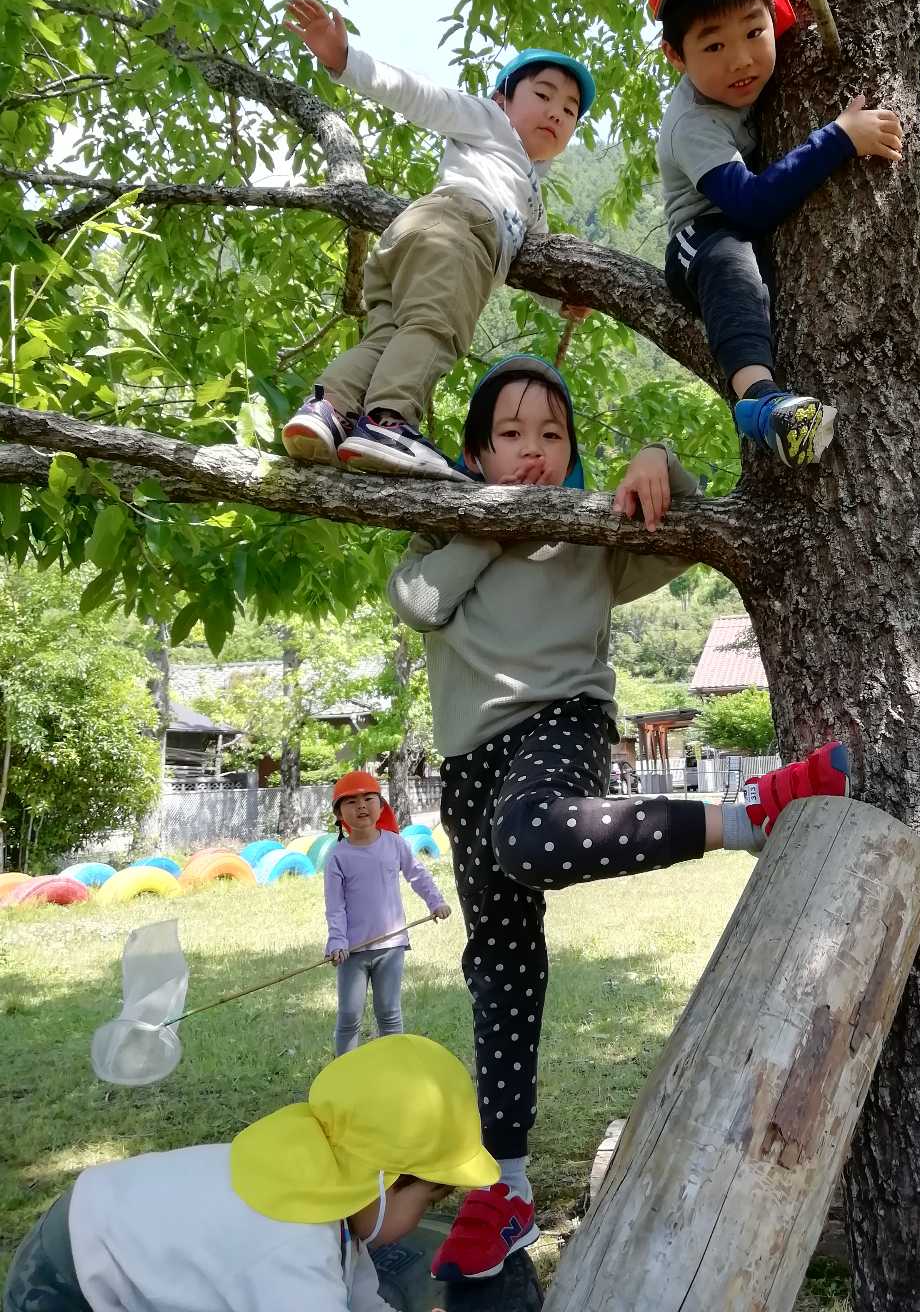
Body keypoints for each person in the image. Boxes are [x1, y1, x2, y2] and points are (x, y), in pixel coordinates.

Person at [389, 352, 848, 1281]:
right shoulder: (440, 533)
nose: (533, 453)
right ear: (474, 454)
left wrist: (655, 459)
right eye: (510, 436)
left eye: (552, 436)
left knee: (532, 836)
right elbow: (423, 603)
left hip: (560, 723)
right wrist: (490, 517)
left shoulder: (586, 535)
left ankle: (746, 816)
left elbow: (683, 529)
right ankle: (506, 1187)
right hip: (468, 761)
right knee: (501, 963)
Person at [280, 0, 594, 477]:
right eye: (544, 95)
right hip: (457, 230)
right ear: (501, 100)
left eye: (570, 110)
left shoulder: (530, 198)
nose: (557, 112)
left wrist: (561, 302)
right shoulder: (489, 124)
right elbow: (422, 96)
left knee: (387, 335)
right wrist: (344, 59)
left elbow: (533, 260)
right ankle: (388, 421)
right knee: (434, 326)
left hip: (408, 239)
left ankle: (327, 409)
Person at [3, 1034, 499, 1312]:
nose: (427, 1217)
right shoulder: (290, 1249)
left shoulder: (321, 1184)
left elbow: (356, 1289)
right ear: (387, 1181)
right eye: (429, 1202)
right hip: (68, 1277)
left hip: (99, 1217)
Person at [647, 0, 903, 469]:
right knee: (732, 258)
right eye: (713, 46)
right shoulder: (692, 124)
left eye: (754, 32)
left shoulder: (759, 76)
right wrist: (838, 138)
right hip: (705, 240)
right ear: (676, 55)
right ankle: (760, 404)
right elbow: (752, 206)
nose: (741, 60)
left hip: (747, 235)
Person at [325, 770, 452, 1055]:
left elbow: (417, 875)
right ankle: (343, 1074)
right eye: (350, 802)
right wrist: (336, 942)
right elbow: (335, 906)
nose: (360, 806)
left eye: (368, 798)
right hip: (352, 952)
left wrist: (435, 902)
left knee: (390, 1014)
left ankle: (393, 1069)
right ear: (339, 814)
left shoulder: (394, 843)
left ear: (381, 806)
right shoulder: (337, 856)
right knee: (348, 1016)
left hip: (391, 947)